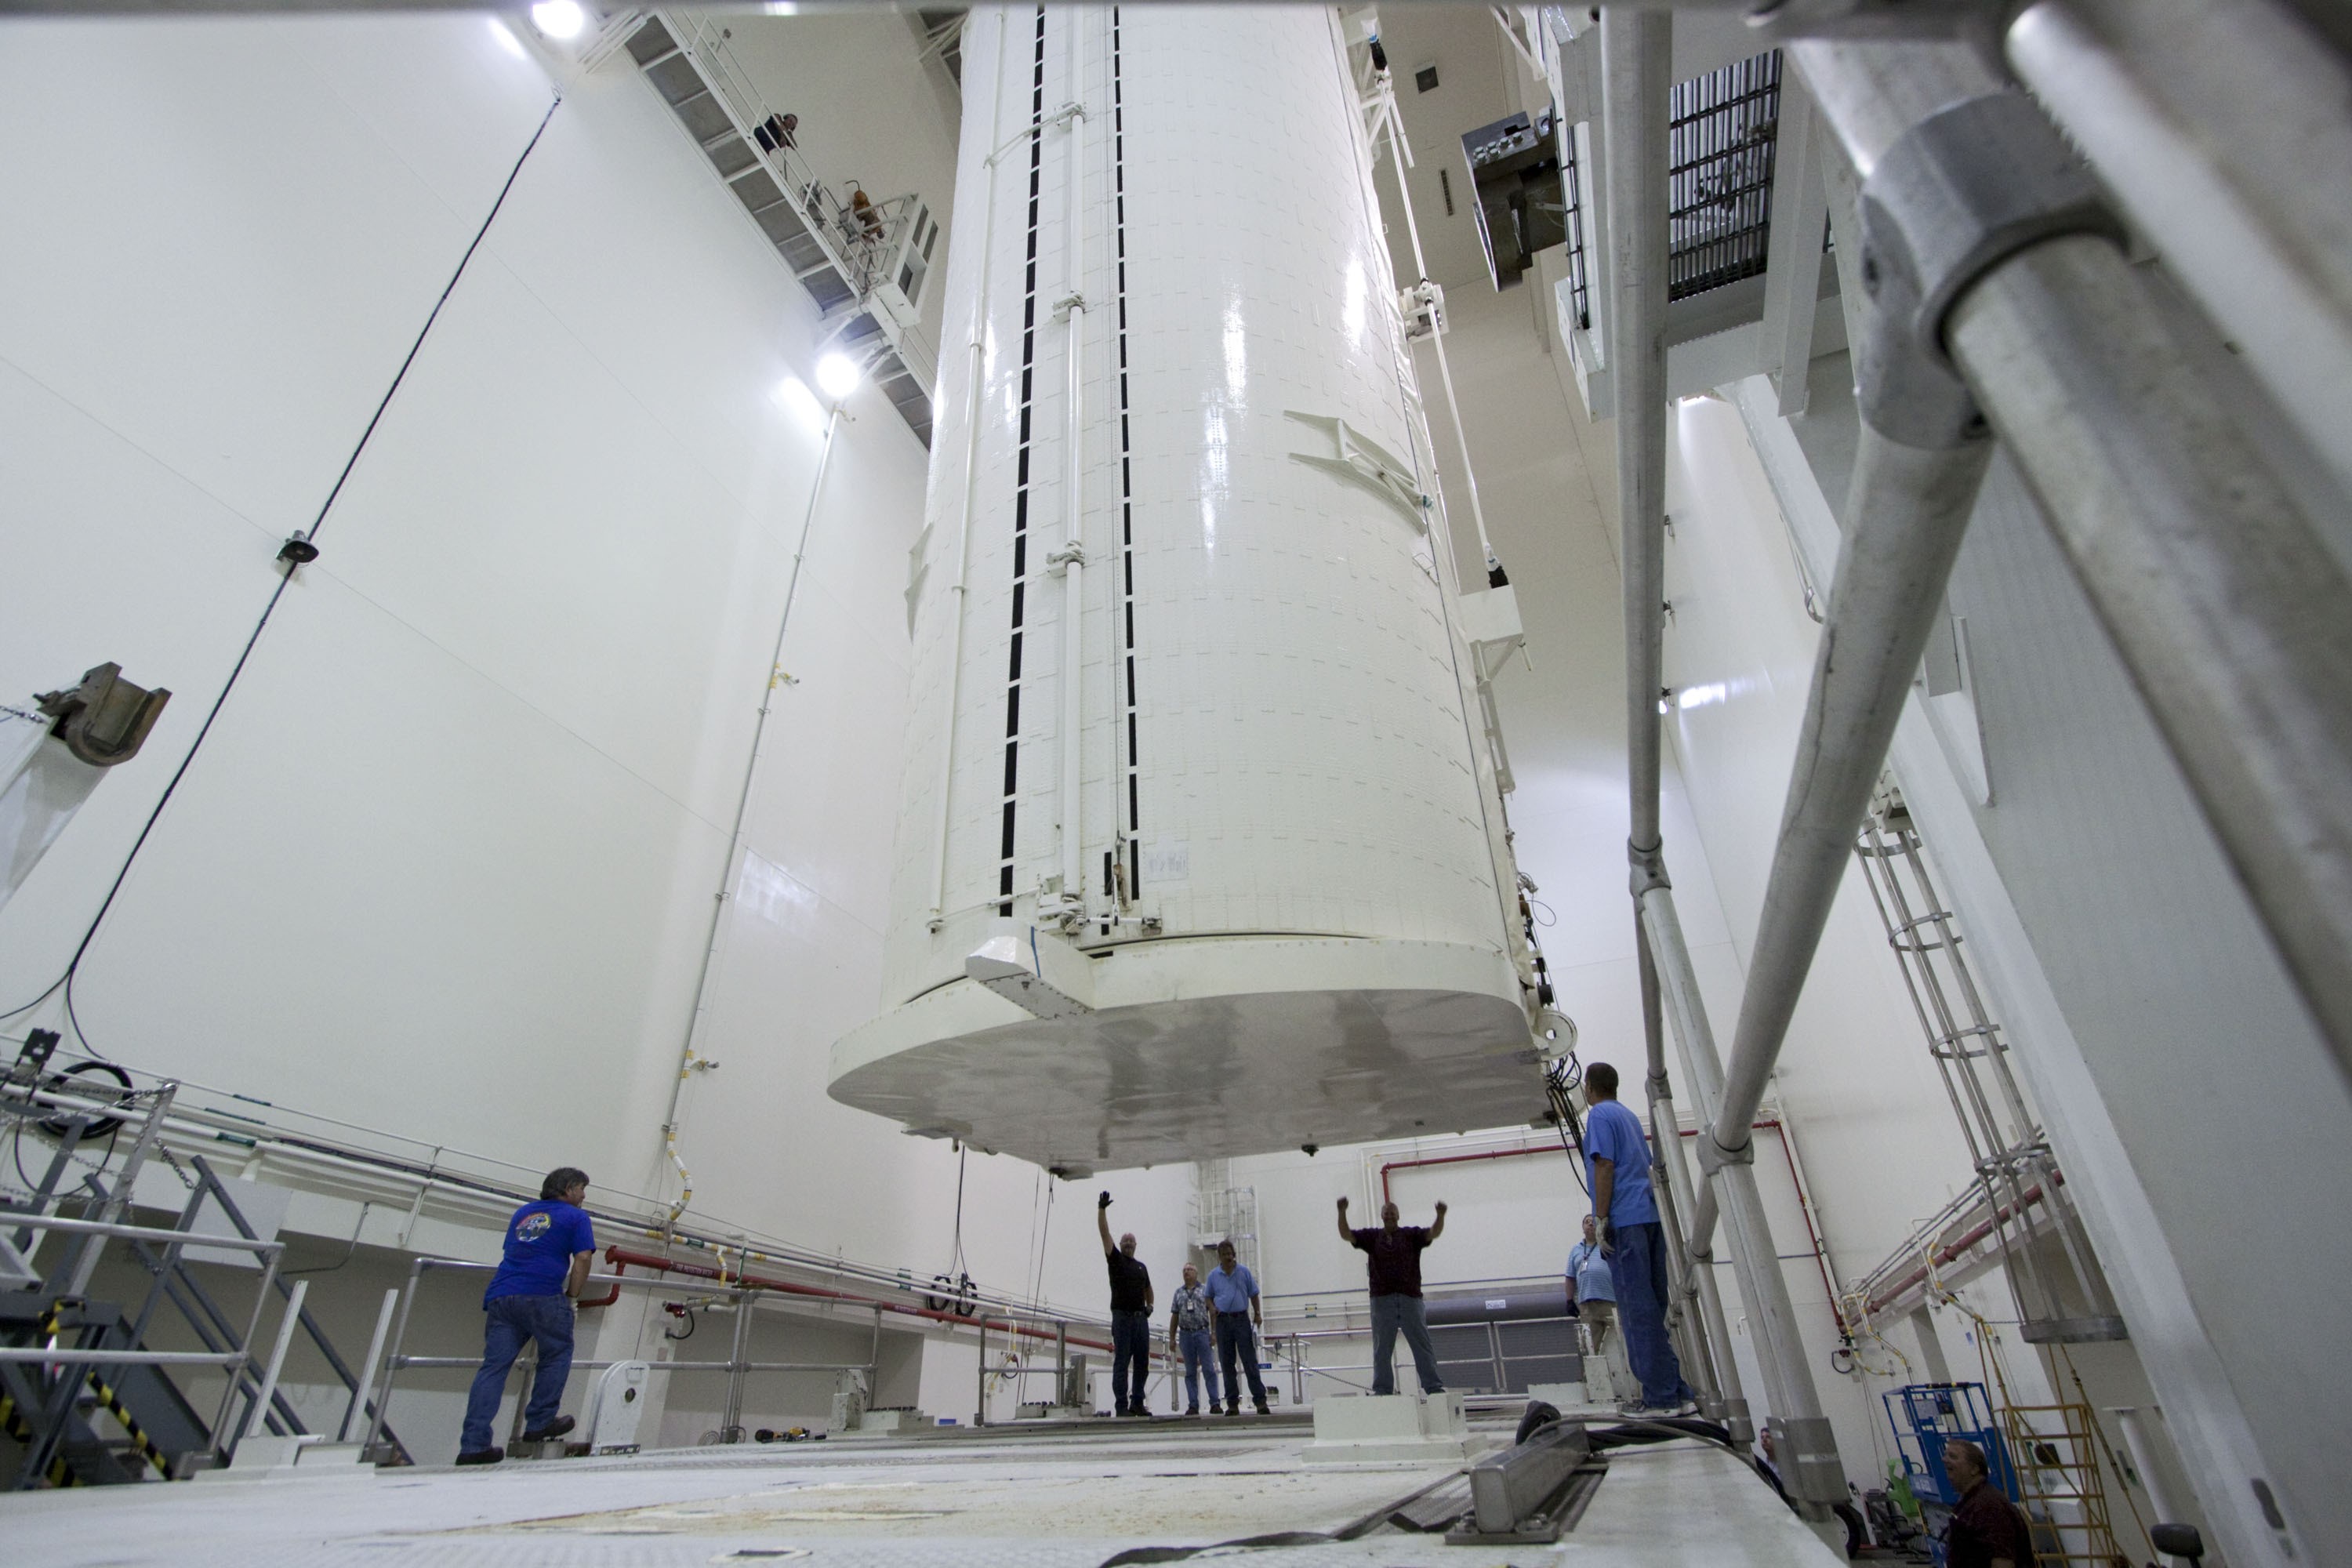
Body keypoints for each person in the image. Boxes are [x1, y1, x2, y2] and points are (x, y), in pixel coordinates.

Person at [456, 1167, 597, 1465]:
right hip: (543, 1294)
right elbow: (583, 1258)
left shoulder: (523, 1213)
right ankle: (540, 1422)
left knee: (493, 1368)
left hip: (502, 1295)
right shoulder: (576, 1217)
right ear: (569, 1189)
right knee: (557, 1353)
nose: (584, 1196)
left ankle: (473, 1445)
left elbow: (515, 1250)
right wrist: (572, 1297)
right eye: (582, 1189)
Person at [1581, 1061, 1697, 1417]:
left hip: (1626, 1220)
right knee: (1652, 1309)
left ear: (1589, 1088)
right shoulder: (1629, 1117)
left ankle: (1660, 1398)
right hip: (1649, 1217)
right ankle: (1677, 1392)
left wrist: (1602, 1218)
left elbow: (1604, 1165)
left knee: (1636, 1312)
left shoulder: (1599, 1116)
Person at [1336, 1194, 1446, 1397]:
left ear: (1398, 1216)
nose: (1389, 1216)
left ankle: (1433, 1387)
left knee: (1422, 1345)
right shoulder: (1372, 1238)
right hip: (1382, 1300)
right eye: (1386, 1213)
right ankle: (1383, 1390)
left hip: (1410, 1299)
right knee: (1382, 1348)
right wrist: (1341, 1212)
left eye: (1393, 1213)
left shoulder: (1411, 1235)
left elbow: (1433, 1233)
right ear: (1382, 1216)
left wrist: (1440, 1216)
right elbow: (1346, 1234)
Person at [1097, 1191, 1154, 1417]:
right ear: (1120, 1244)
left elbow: (1149, 1290)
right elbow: (1104, 1234)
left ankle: (1137, 1402)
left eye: (1132, 1241)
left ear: (1136, 1245)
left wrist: (1150, 1306)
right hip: (1122, 1319)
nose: (1128, 1243)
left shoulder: (1141, 1267)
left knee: (1142, 1363)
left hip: (1140, 1321)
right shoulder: (1115, 1259)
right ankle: (1121, 1406)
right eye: (1125, 1241)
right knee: (1122, 1362)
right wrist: (1102, 1209)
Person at [1943, 1438, 2037, 1568]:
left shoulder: (1988, 1506)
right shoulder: (1971, 1501)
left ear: (1974, 1469)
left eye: (1953, 1456)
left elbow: (2003, 1561)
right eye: (1945, 1455)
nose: (1944, 1459)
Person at [1204, 1239, 1269, 1415]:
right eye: (1224, 1254)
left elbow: (1254, 1294)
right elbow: (1208, 1296)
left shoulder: (1244, 1272)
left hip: (1241, 1319)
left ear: (1234, 1255)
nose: (1228, 1257)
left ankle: (1260, 1401)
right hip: (1223, 1322)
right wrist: (1212, 1307)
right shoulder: (1213, 1276)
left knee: (1249, 1361)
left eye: (1230, 1254)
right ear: (1219, 1257)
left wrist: (1257, 1313)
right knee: (1227, 1363)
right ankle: (1232, 1404)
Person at [1167, 1262, 1221, 1416]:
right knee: (1190, 1372)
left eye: (1190, 1270)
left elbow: (1212, 1312)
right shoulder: (1178, 1293)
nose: (1187, 1272)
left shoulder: (1205, 1290)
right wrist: (1172, 1338)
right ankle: (1193, 1404)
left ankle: (1214, 1403)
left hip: (1202, 1332)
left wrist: (1214, 1333)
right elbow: (1175, 1316)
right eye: (1184, 1270)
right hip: (1186, 1335)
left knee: (1208, 1369)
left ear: (1196, 1274)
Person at [1566, 1213, 1616, 1353]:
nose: (1590, 1224)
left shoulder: (1608, 1244)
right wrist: (1569, 1300)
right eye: (1587, 1222)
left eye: (1593, 1221)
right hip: (1587, 1304)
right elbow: (1570, 1277)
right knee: (1591, 1345)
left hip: (1610, 1301)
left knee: (1618, 1337)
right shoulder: (1576, 1250)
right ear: (1583, 1228)